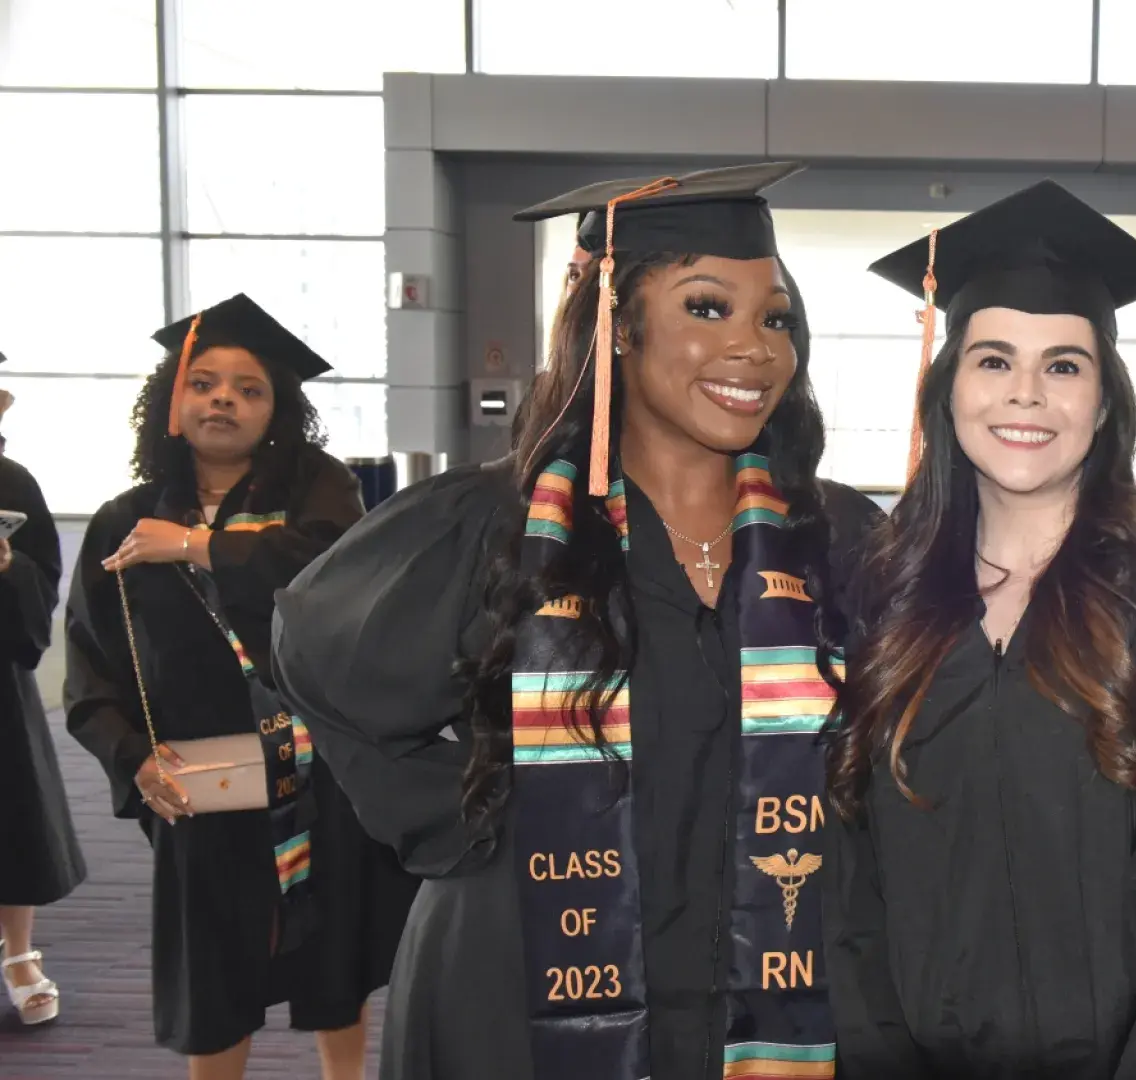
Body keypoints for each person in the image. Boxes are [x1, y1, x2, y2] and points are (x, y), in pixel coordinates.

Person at [271, 162, 881, 1080]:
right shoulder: (494, 526)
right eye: (707, 308)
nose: (755, 349)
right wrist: (461, 813)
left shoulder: (837, 534)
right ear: (618, 325)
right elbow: (312, 653)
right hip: (524, 980)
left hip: (777, 972)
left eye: (777, 317)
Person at [826, 181, 1136, 1079]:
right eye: (993, 361)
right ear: (947, 391)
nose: (1025, 394)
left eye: (1064, 366)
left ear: (1104, 404)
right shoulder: (887, 587)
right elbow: (850, 872)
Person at [63, 294, 419, 1079]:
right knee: (212, 976)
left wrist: (192, 544)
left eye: (249, 389)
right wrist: (132, 760)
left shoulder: (319, 494)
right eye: (204, 382)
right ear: (170, 401)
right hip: (204, 779)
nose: (223, 398)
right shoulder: (123, 521)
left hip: (318, 773)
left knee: (335, 964)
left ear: (277, 412)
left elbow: (319, 568)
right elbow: (90, 667)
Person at [0, 379, 86, 1028]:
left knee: (10, 817)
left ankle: (19, 953)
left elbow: (42, 587)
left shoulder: (12, 482)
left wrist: (8, 570)